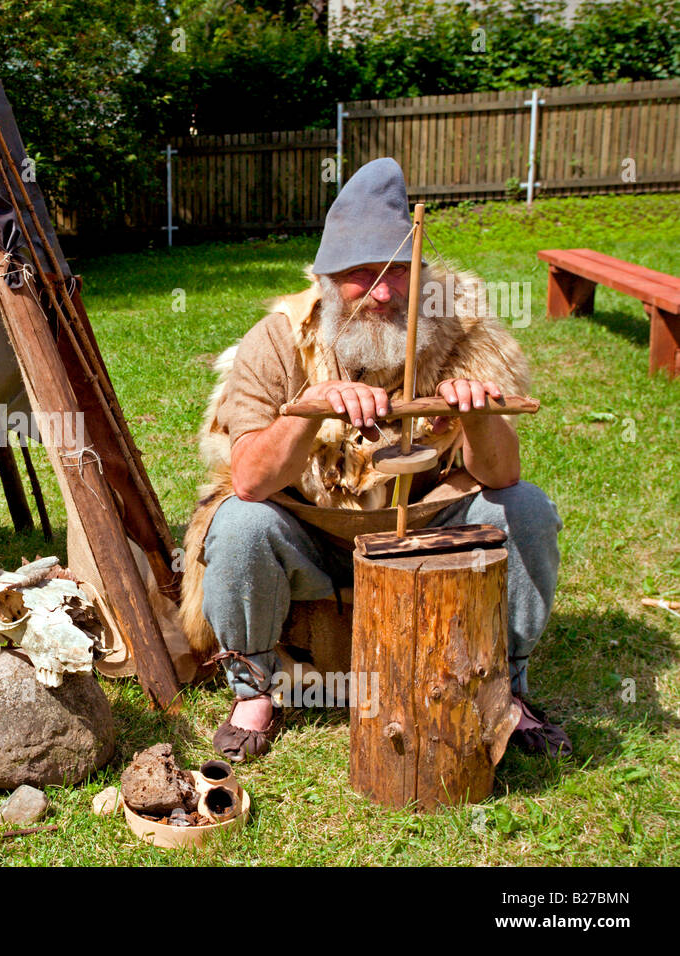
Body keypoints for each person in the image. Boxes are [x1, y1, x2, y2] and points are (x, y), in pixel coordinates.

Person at [178, 157, 571, 762]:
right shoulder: (280, 341)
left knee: (527, 506)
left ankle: (507, 689)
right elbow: (252, 480)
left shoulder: (463, 334)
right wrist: (304, 413)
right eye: (363, 274)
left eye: (400, 274)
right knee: (238, 522)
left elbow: (500, 477)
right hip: (312, 534)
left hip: (428, 527)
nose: (384, 292)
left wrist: (476, 414)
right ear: (329, 279)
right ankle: (253, 692)